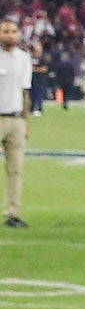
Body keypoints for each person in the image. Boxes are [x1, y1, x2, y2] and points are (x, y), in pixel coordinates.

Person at [0, 16, 31, 228]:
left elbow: (25, 92)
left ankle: (13, 213)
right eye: (5, 31)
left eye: (13, 31)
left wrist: (26, 121)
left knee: (16, 170)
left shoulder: (24, 59)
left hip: (16, 119)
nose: (10, 35)